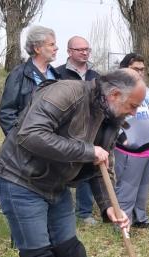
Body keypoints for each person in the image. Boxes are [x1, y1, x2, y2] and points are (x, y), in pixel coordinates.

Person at [0, 69, 145, 257]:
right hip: (21, 180)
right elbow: (30, 134)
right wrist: (87, 150)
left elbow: (100, 166)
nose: (134, 113)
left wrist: (108, 205)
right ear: (114, 95)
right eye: (132, 105)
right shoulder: (66, 94)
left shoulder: (110, 117)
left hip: (57, 186)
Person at [56, 36, 100, 225]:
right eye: (80, 49)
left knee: (86, 168)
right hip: (64, 130)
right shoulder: (58, 73)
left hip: (89, 130)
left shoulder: (95, 75)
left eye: (87, 49)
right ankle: (59, 209)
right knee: (60, 170)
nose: (84, 52)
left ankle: (84, 212)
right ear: (69, 51)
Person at [113, 53, 149, 230]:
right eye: (136, 69)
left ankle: (141, 218)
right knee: (127, 188)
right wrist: (122, 139)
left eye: (142, 69)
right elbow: (112, 118)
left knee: (143, 188)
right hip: (130, 150)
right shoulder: (118, 91)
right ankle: (122, 224)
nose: (140, 73)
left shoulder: (147, 92)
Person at [0, 25, 60, 136]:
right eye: (51, 44)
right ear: (37, 49)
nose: (56, 48)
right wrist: (18, 139)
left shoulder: (57, 76)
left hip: (53, 141)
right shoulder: (19, 74)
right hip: (28, 141)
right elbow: (6, 113)